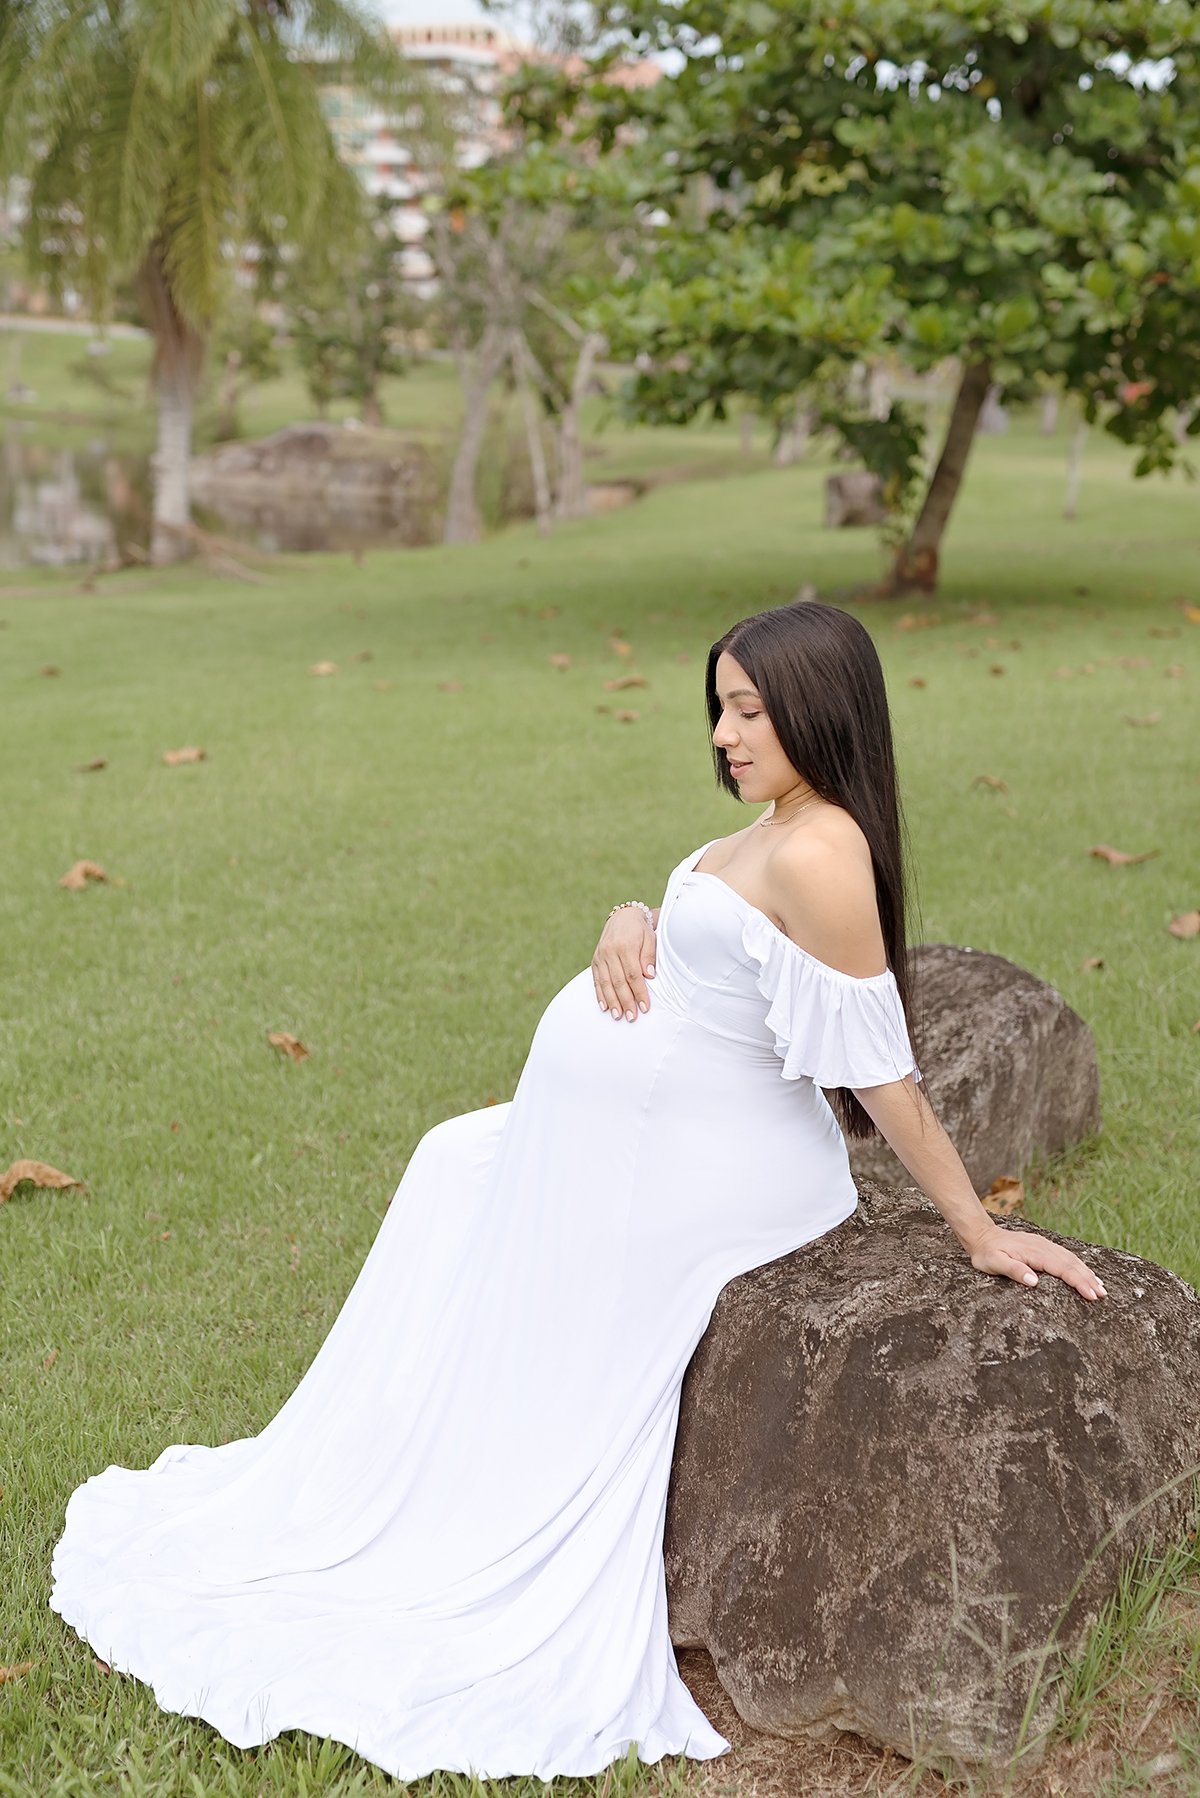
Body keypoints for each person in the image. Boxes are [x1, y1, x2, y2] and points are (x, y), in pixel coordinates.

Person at [48, 600, 1106, 1785]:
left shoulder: (822, 848)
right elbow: (725, 952)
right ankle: (399, 1469)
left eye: (751, 709)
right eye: (719, 706)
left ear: (819, 707)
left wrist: (974, 1226)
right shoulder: (780, 827)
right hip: (667, 1127)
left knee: (470, 1186)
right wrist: (633, 914)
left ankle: (454, 1505)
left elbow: (883, 1071)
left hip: (723, 1167)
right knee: (454, 1161)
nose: (724, 732)